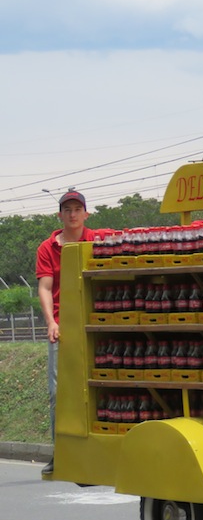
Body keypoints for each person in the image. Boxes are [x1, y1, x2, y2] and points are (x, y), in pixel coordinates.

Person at [36, 190, 96, 475]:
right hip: (63, 326)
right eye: (67, 209)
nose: (72, 214)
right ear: (60, 215)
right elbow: (45, 287)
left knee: (98, 387)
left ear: (86, 214)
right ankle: (60, 452)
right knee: (58, 392)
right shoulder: (48, 247)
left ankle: (93, 449)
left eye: (77, 209)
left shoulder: (98, 240)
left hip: (95, 324)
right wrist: (51, 322)